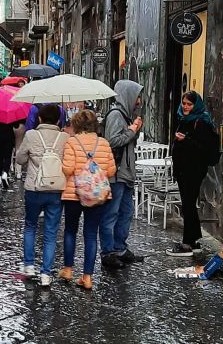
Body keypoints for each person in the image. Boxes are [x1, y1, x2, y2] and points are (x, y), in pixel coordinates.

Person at [59, 110, 116, 289]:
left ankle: (68, 269)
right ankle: (87, 277)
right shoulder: (104, 143)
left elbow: (67, 170)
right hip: (97, 194)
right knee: (91, 234)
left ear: (76, 125)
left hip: (73, 194)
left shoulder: (72, 142)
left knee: (70, 231)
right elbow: (111, 171)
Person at [16, 104, 69, 287]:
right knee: (51, 232)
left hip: (34, 188)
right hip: (56, 190)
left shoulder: (31, 135)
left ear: (39, 118)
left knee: (30, 226)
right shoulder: (64, 137)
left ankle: (29, 266)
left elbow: (20, 159)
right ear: (58, 120)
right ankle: (46, 274)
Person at [99, 79, 144, 269]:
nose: (139, 101)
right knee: (112, 214)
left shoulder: (125, 116)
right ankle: (108, 252)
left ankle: (120, 248)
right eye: (137, 97)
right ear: (128, 96)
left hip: (124, 174)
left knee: (126, 212)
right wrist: (132, 130)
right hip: (116, 174)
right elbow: (112, 141)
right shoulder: (116, 115)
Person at [166, 91, 216, 256]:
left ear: (196, 105)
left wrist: (185, 140)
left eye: (189, 104)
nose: (186, 107)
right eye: (184, 103)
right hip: (183, 170)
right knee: (188, 205)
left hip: (193, 171)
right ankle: (193, 241)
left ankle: (187, 243)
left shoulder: (200, 122)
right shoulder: (183, 119)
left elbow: (204, 149)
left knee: (188, 204)